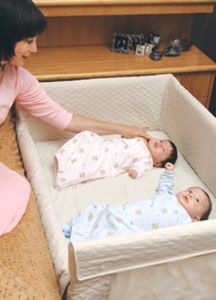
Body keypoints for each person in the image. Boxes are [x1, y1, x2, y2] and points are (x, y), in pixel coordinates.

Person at [0, 0, 151, 139]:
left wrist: (124, 130)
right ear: (6, 37)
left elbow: (65, 119)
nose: (35, 49)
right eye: (29, 41)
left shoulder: (19, 79)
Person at [61, 163, 212, 242]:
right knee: (96, 211)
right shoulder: (168, 197)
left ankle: (81, 241)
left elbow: (195, 235)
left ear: (195, 218)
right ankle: (70, 228)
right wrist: (169, 173)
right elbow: (165, 187)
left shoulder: (185, 222)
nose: (190, 195)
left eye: (196, 200)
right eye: (190, 191)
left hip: (133, 230)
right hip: (124, 214)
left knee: (108, 237)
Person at [54, 130, 178, 189]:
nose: (160, 144)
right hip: (105, 146)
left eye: (163, 150)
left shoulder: (147, 159)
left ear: (157, 163)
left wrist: (135, 172)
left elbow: (141, 168)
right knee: (87, 136)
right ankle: (64, 157)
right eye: (161, 141)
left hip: (109, 160)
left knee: (91, 164)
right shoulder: (142, 141)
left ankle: (64, 175)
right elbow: (126, 138)